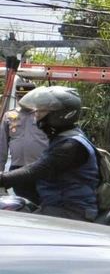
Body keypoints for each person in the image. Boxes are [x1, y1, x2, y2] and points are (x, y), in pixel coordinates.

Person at [0, 85, 99, 220]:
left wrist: (3, 179)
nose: (36, 116)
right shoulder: (65, 138)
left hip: (71, 211)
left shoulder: (70, 146)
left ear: (59, 115)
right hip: (55, 206)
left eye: (41, 111)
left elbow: (35, 170)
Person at [0, 80, 49, 202]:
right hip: (18, 169)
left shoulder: (43, 115)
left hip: (40, 167)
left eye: (26, 97)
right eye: (19, 97)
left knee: (42, 200)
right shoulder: (9, 116)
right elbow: (2, 146)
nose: (22, 100)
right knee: (22, 202)